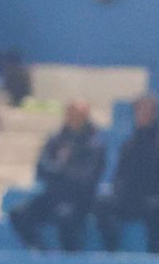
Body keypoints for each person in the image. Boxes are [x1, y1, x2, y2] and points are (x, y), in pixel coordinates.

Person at [92, 95, 159, 253]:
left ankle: (155, 255)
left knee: (155, 211)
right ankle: (112, 250)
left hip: (158, 200)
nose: (142, 116)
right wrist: (121, 192)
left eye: (147, 112)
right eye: (139, 112)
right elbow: (120, 176)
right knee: (102, 204)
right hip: (132, 198)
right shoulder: (129, 144)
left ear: (155, 114)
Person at [8, 100, 105, 252]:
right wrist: (59, 168)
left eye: (78, 115)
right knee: (18, 214)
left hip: (79, 199)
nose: (73, 119)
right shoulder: (56, 139)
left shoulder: (93, 143)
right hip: (53, 195)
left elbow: (86, 177)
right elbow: (41, 168)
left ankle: (69, 258)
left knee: (65, 217)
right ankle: (38, 250)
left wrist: (60, 169)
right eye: (70, 114)